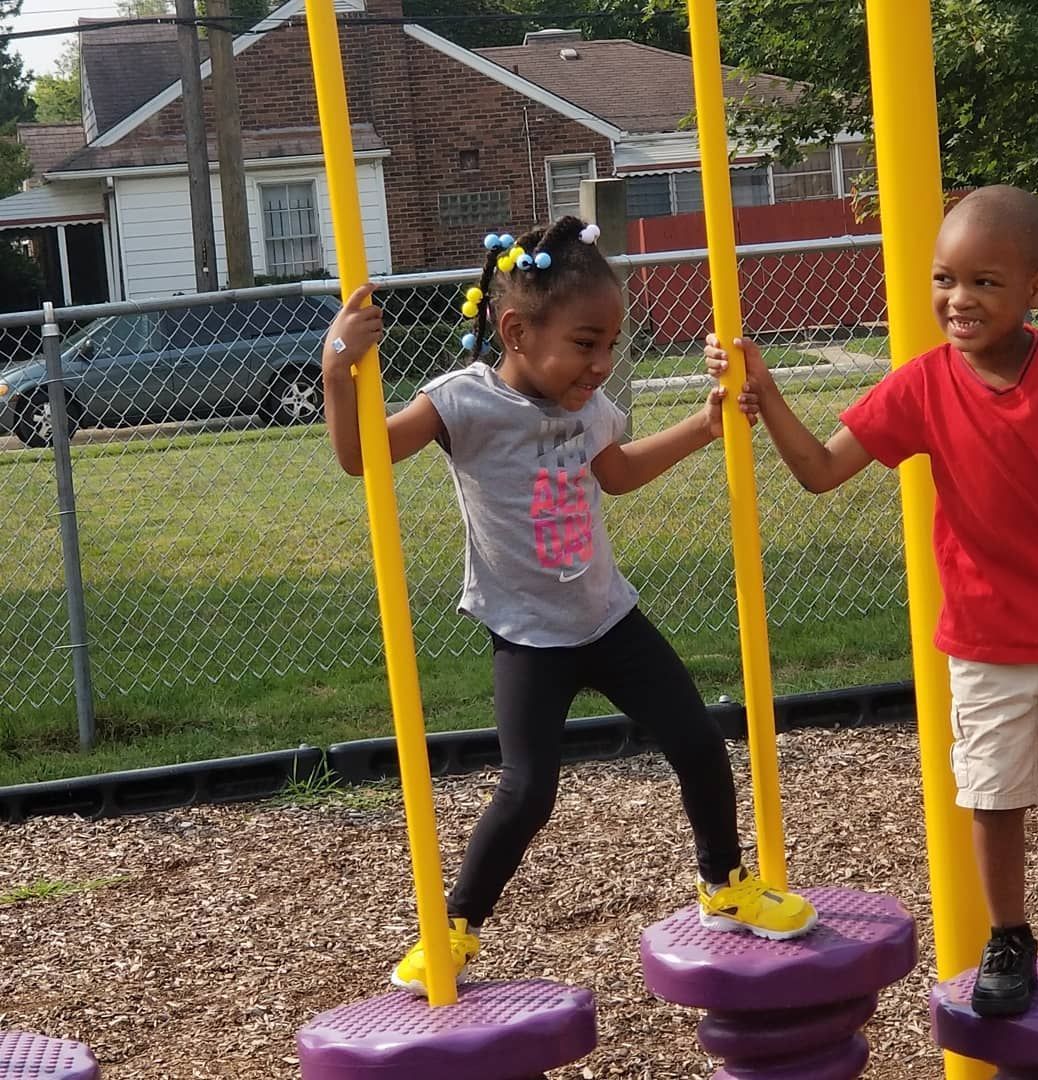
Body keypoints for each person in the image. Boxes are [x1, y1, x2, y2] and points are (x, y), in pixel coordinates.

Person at [323, 215, 818, 997]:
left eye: (613, 345)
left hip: (608, 618)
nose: (602, 363)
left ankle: (724, 882)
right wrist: (336, 368)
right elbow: (362, 458)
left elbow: (614, 474)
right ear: (516, 330)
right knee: (528, 790)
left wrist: (705, 423)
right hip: (527, 636)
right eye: (587, 343)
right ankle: (453, 928)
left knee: (697, 741)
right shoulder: (464, 403)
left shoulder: (590, 408)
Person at [707, 185, 1038, 1018]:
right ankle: (1009, 936)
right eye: (946, 279)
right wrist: (765, 397)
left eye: (986, 282)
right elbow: (821, 471)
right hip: (986, 645)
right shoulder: (921, 386)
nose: (959, 299)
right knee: (992, 796)